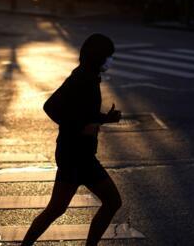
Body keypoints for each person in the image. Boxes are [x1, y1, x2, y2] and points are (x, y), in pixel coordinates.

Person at [21, 34, 122, 246]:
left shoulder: (88, 76)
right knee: (112, 202)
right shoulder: (82, 78)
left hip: (75, 154)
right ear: (99, 56)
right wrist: (78, 128)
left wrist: (104, 119)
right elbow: (51, 107)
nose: (111, 60)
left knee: (56, 209)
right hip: (78, 156)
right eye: (109, 56)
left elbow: (82, 113)